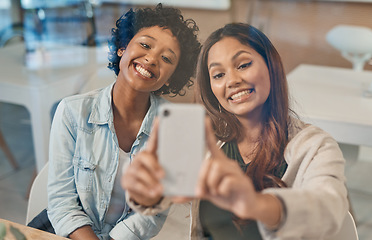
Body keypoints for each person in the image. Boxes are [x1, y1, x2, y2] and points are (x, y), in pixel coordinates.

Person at [122, 22, 349, 240]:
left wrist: (255, 203)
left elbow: (330, 209)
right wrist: (145, 193)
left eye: (243, 65)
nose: (232, 80)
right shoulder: (203, 142)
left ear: (271, 66)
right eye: (218, 75)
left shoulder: (315, 146)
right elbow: (163, 194)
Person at [47, 4, 201, 240]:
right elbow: (61, 202)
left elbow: (154, 213)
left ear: (172, 78)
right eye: (145, 45)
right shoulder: (71, 111)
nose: (151, 59)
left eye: (167, 58)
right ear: (122, 47)